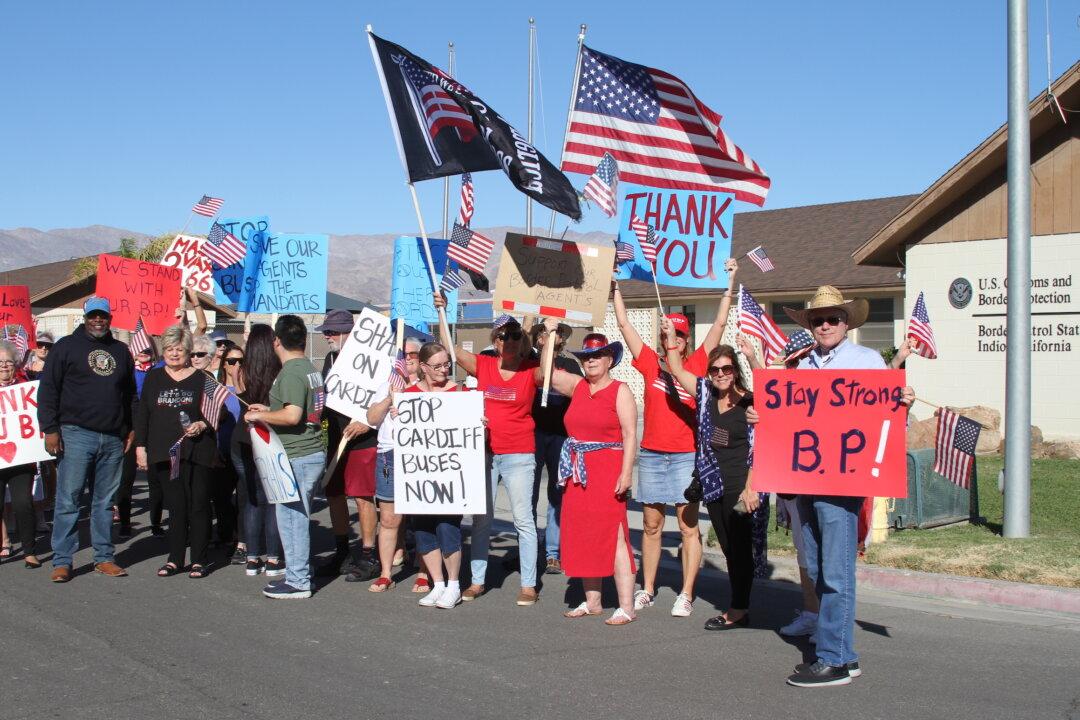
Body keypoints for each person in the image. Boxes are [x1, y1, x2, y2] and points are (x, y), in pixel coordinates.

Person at [780, 286, 914, 688]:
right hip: (805, 480)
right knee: (819, 569)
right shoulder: (801, 368)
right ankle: (837, 648)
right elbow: (787, 420)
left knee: (837, 571)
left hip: (843, 483)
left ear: (846, 323)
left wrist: (902, 403)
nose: (825, 325)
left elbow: (888, 422)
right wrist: (761, 416)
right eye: (818, 320)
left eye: (832, 319)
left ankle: (837, 658)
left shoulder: (868, 361)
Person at [611, 258, 740, 618]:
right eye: (670, 333)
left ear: (686, 340)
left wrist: (730, 283)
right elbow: (623, 324)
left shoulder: (700, 363)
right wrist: (615, 288)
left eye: (680, 334)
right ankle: (648, 588)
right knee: (651, 526)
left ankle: (685, 592)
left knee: (687, 527)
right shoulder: (650, 361)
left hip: (686, 455)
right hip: (652, 455)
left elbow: (718, 323)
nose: (675, 338)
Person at [662, 318, 768, 631]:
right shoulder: (707, 395)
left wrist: (752, 356)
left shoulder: (751, 401)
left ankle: (737, 609)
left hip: (741, 482)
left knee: (739, 548)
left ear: (735, 370)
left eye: (726, 368)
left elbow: (762, 440)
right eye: (715, 370)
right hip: (713, 482)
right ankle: (740, 603)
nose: (720, 374)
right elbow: (678, 371)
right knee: (726, 546)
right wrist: (670, 339)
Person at [432, 297, 540, 606]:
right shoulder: (484, 363)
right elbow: (449, 347)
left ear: (523, 341)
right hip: (485, 452)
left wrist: (550, 330)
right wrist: (442, 310)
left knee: (523, 519)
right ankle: (477, 580)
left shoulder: (532, 369)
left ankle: (529, 583)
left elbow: (547, 373)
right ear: (495, 340)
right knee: (481, 518)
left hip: (519, 453)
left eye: (515, 335)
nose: (509, 340)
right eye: (503, 335)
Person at [38, 297, 135, 583]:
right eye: (93, 315)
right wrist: (50, 429)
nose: (98, 320)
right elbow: (48, 390)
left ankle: (104, 557)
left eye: (102, 316)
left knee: (104, 502)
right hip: (76, 434)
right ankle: (62, 561)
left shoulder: (121, 350)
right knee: (68, 500)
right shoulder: (66, 347)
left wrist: (131, 429)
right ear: (85, 317)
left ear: (109, 318)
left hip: (113, 438)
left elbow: (130, 395)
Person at [546, 332, 639, 625]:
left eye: (597, 356)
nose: (591, 361)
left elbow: (629, 435)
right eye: (586, 357)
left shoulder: (620, 390)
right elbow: (546, 372)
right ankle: (593, 602)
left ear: (610, 359)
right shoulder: (578, 386)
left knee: (615, 538)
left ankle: (626, 606)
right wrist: (548, 334)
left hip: (608, 469)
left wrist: (626, 473)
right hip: (578, 470)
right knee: (583, 534)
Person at [244, 315, 327, 599]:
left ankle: (298, 580)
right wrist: (267, 409)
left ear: (276, 341)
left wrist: (261, 415)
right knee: (294, 516)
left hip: (299, 454)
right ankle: (298, 572)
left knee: (292, 518)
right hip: (309, 451)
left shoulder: (291, 371)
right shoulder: (307, 368)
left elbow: (293, 415)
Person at [385, 342, 466, 608]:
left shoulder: (459, 392)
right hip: (419, 478)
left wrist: (477, 423)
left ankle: (453, 584)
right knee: (423, 532)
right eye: (438, 365)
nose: (444, 370)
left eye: (447, 364)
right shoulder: (409, 394)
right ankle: (438, 583)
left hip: (449, 477)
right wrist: (399, 414)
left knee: (448, 530)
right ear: (423, 367)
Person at [135, 325, 219, 578]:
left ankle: (199, 559)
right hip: (164, 451)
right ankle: (174, 558)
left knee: (199, 505)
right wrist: (141, 447)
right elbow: (143, 413)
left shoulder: (203, 378)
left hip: (198, 451)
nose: (174, 354)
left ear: (188, 351)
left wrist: (202, 423)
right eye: (170, 349)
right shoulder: (154, 376)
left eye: (180, 350)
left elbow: (220, 411)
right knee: (176, 506)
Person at [313, 309, 381, 581]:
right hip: (336, 438)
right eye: (327, 331)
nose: (328, 336)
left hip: (363, 440)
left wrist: (368, 423)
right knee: (335, 494)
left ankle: (368, 555)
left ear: (350, 333)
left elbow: (386, 398)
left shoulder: (374, 360)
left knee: (363, 497)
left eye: (333, 331)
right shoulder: (330, 358)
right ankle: (342, 550)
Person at [364, 336, 428, 592]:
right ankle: (386, 572)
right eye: (404, 355)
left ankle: (424, 572)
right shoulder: (386, 386)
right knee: (389, 519)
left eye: (413, 355)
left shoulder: (429, 388)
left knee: (424, 518)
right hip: (390, 457)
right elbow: (371, 417)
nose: (408, 360)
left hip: (420, 457)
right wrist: (391, 399)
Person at [771, 330, 822, 641]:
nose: (800, 366)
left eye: (805, 358)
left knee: (826, 554)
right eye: (794, 362)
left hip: (828, 487)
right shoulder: (784, 396)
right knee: (805, 553)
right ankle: (812, 613)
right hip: (794, 486)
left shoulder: (833, 389)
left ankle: (828, 621)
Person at [528, 320, 582, 575]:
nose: (551, 336)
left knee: (556, 493)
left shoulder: (571, 364)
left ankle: (552, 552)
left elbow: (581, 395)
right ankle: (526, 548)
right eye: (546, 332)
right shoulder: (529, 360)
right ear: (538, 338)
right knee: (528, 493)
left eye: (556, 333)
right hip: (532, 433)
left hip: (561, 435)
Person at [230, 325, 283, 577]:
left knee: (252, 499)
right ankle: (273, 558)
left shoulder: (240, 370)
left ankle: (252, 558)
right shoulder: (280, 372)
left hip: (242, 440)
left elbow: (238, 390)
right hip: (269, 438)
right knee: (273, 500)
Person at [115, 335, 165, 539]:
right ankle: (125, 523)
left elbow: (181, 345)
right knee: (125, 479)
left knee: (156, 480)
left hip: (153, 429)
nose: (143, 353)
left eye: (147, 350)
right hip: (130, 429)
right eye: (139, 349)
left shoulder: (159, 369)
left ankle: (156, 523)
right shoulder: (126, 371)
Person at [0, 341, 42, 568]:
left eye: (8, 362)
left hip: (22, 457)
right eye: (0, 363)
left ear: (15, 364)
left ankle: (29, 551)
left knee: (23, 503)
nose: (4, 366)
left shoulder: (27, 387)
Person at [217, 340, 245, 563]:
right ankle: (227, 535)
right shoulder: (216, 388)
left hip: (244, 449)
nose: (236, 365)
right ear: (224, 364)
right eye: (232, 361)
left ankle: (242, 540)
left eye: (241, 361)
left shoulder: (248, 389)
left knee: (243, 497)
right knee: (223, 497)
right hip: (222, 448)